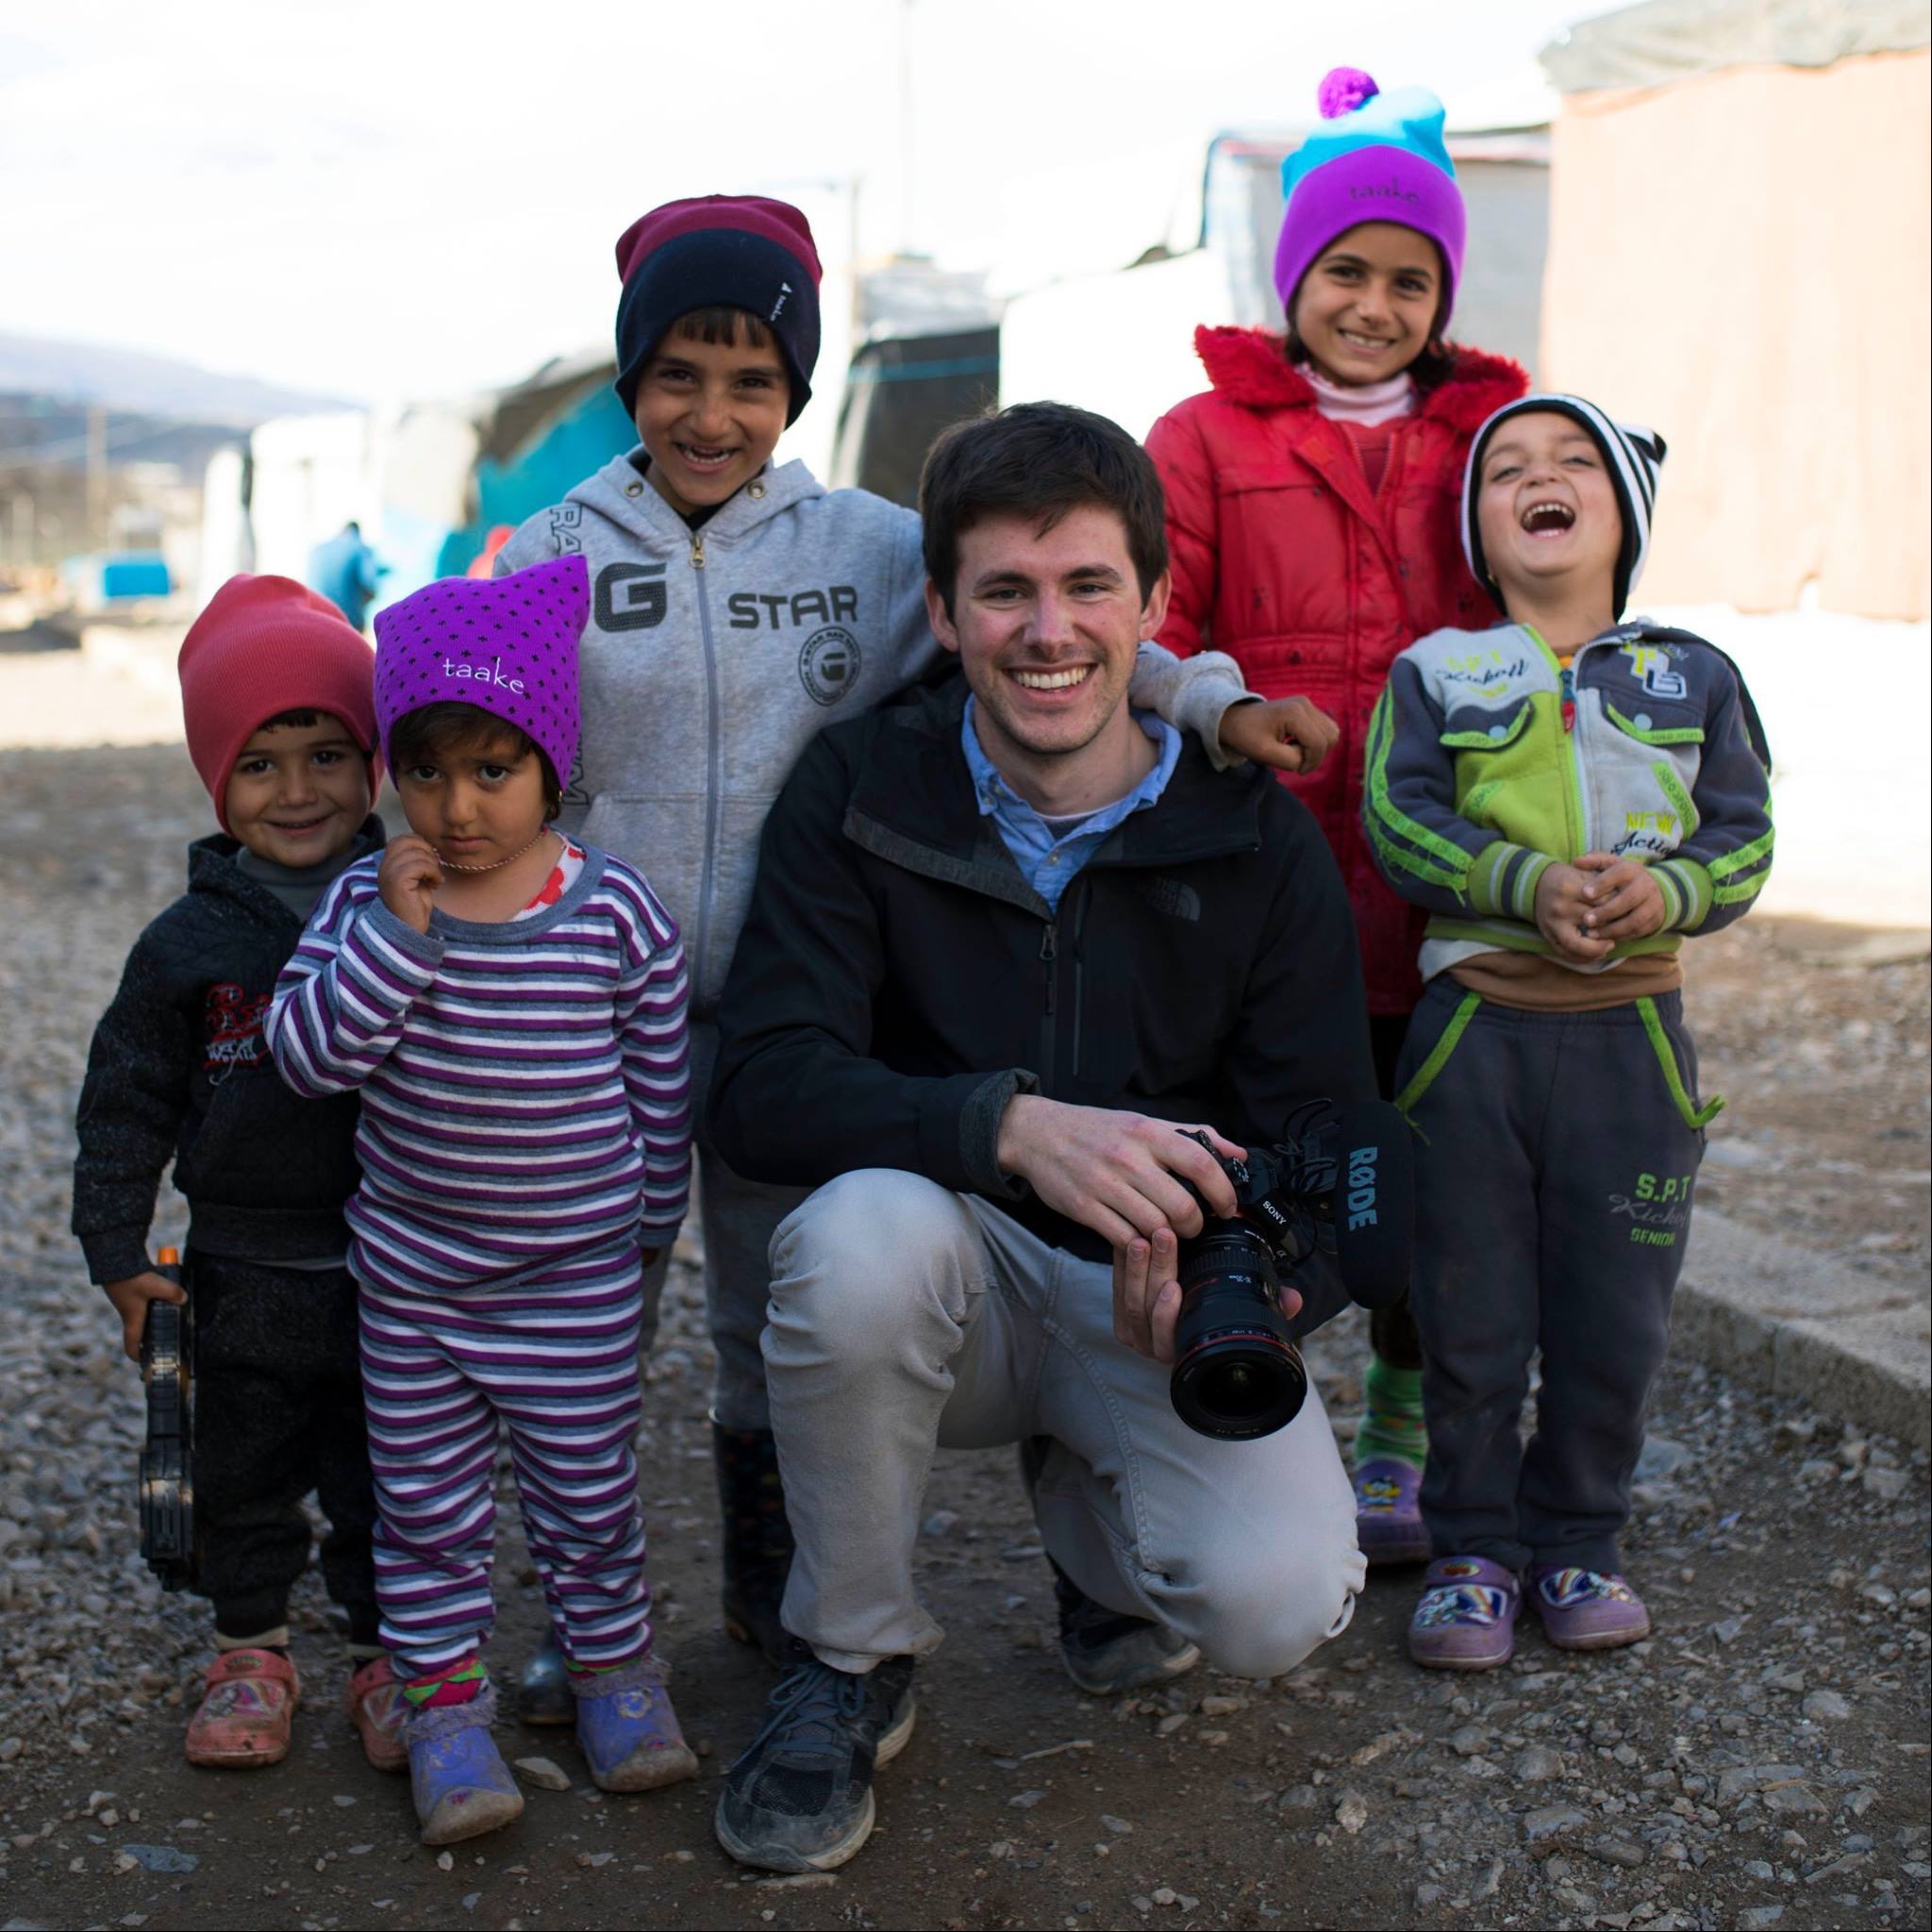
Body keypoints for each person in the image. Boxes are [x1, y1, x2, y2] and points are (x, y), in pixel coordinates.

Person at [491, 193, 1330, 1699]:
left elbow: (1077, 629)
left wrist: (1209, 709)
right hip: (590, 1016)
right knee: (580, 1319)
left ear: (798, 390)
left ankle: (775, 1593)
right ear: (630, 380)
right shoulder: (551, 553)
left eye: (752, 378)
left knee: (771, 1313)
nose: (712, 410)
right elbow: (469, 726)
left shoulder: (872, 549)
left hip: (802, 1003)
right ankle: (589, 1615)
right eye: (678, 373)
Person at [705, 402, 1376, 1874]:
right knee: (853, 1237)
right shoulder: (861, 788)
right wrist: (1003, 1125)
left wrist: (1266, 1281)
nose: (1047, 630)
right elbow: (760, 1082)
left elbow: (1339, 1142)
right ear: (942, 611)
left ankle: (1100, 1545)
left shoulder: (1250, 829)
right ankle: (850, 1653)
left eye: (1086, 587)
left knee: (1273, 1608)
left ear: (1152, 604)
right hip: (954, 1274)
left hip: (1160, 1295)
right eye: (1004, 590)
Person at [1145, 67, 1529, 1565]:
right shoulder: (1205, 438)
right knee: (1264, 1161)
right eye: (1347, 271)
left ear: (1443, 293)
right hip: (1266, 877)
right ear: (1296, 273)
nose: (1375, 305)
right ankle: (1262, 1414)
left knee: (1441, 1170)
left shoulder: (1493, 430)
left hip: (1450, 882)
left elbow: (1557, 600)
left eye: (1409, 278)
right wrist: (1229, 708)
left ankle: (1405, 1430)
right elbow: (1152, 623)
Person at [265, 556, 696, 1843]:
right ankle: (447, 1711)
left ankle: (615, 1673)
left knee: (589, 1498)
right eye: (426, 770)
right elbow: (304, 1060)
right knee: (430, 1514)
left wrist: (648, 1246)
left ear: (552, 767)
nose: (456, 809)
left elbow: (658, 1090)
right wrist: (396, 945)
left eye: (493, 771)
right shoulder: (368, 901)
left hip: (575, 1280)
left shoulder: (614, 914)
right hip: (416, 1286)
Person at [1362, 394, 1773, 1668]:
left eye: (1573, 462)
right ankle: (1474, 1551)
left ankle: (1584, 1537)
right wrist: (1521, 886)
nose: (1540, 479)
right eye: (1508, 472)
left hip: (1633, 1045)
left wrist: (1671, 891)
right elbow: (1398, 817)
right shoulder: (1437, 670)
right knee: (1469, 1310)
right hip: (1470, 1039)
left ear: (1624, 516)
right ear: (1480, 530)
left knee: (1616, 1317)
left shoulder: (1693, 673)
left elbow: (1745, 833)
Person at [71, 575, 399, 1774]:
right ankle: (250, 1645)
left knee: (388, 1469)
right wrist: (117, 1254)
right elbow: (123, 1107)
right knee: (240, 1467)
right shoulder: (185, 946)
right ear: (217, 780)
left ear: (372, 760)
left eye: (326, 750)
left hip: (395, 1266)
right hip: (241, 1267)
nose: (300, 790)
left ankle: (390, 1652)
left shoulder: (414, 907)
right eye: (260, 763)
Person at [308, 521, 385, 631]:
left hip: (317, 618)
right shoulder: (361, 548)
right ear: (357, 533)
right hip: (349, 623)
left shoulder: (317, 549)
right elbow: (370, 585)